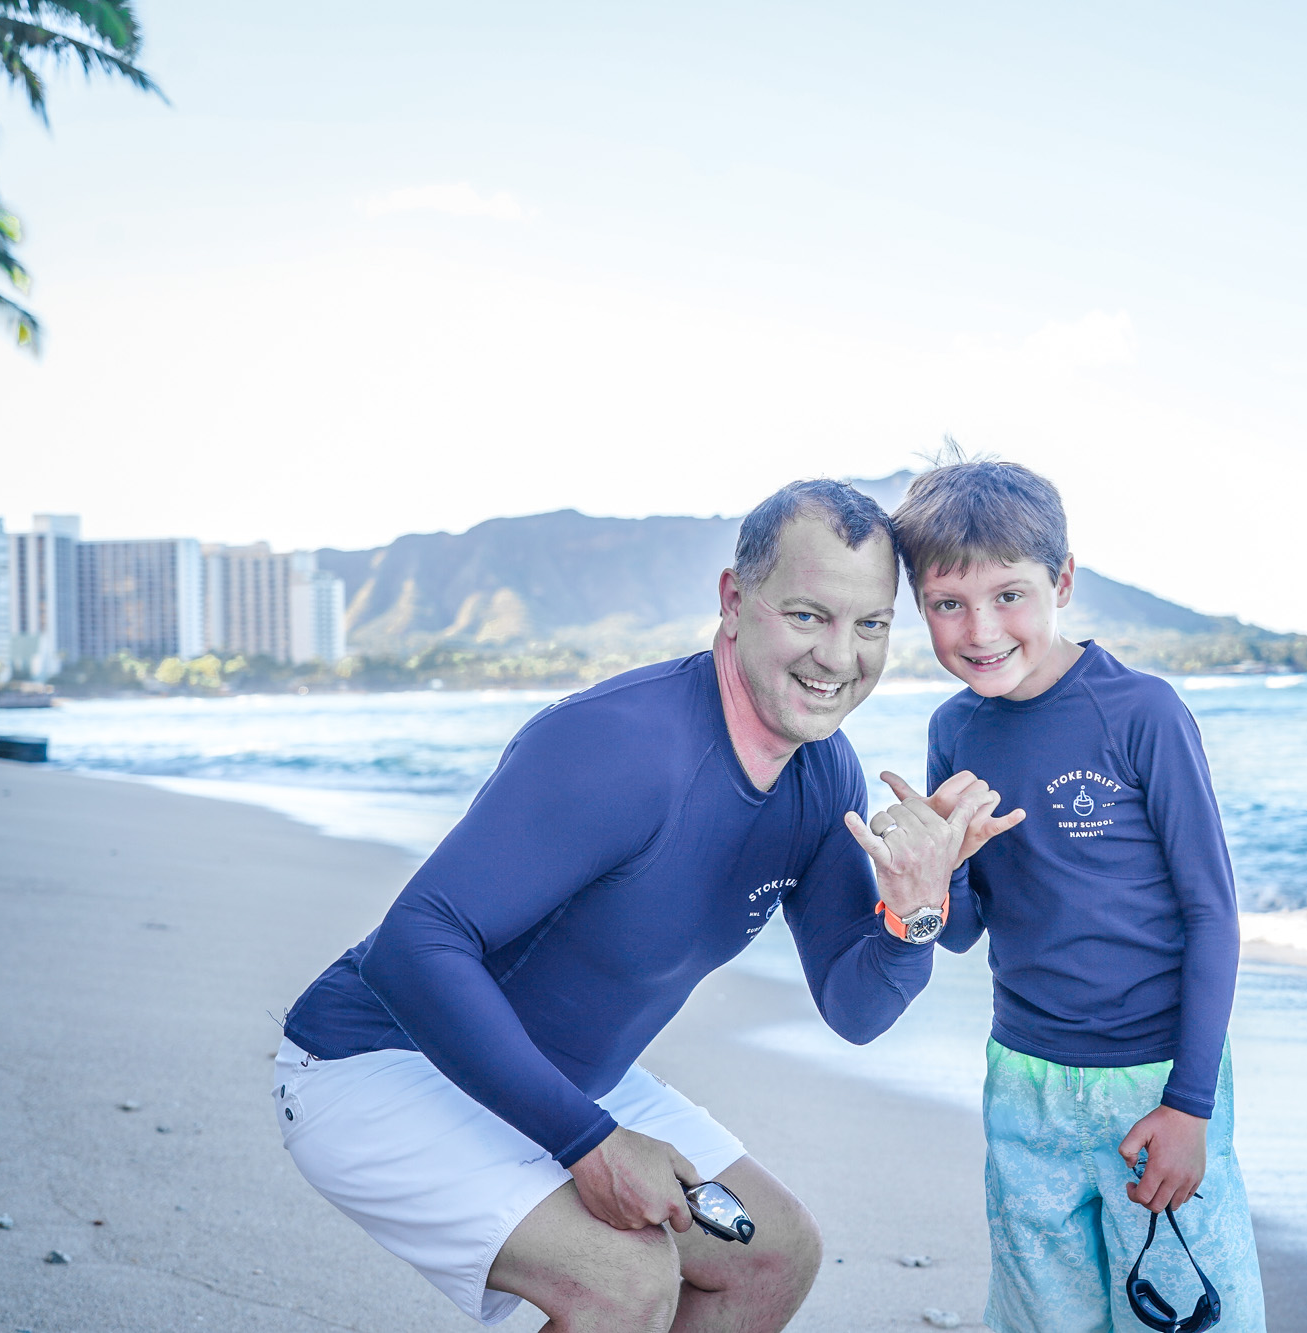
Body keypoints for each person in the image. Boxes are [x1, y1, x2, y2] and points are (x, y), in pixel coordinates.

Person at [273, 479, 1006, 1332]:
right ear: (735, 601)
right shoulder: (621, 745)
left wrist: (916, 909)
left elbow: (858, 1007)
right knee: (622, 1280)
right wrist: (590, 1142)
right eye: (808, 615)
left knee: (774, 1256)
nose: (840, 658)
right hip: (375, 1062)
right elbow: (413, 946)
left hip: (567, 1076)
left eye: (870, 624)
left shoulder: (822, 772)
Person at [889, 457, 1268, 1333]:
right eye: (948, 604)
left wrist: (1190, 1106)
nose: (981, 629)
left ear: (1062, 580)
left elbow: (1213, 914)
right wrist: (931, 870)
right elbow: (961, 932)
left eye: (1009, 595)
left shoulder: (1142, 712)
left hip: (1154, 1082)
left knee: (1183, 1314)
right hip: (1023, 1081)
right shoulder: (955, 728)